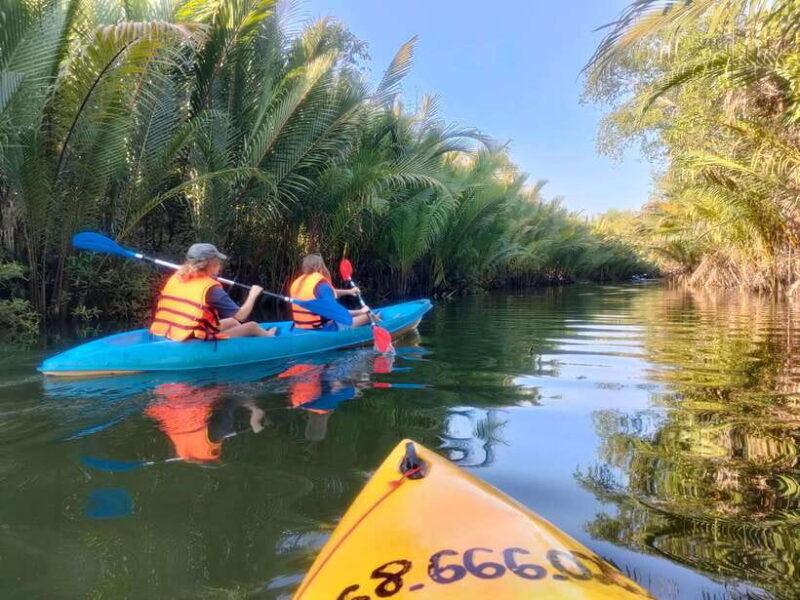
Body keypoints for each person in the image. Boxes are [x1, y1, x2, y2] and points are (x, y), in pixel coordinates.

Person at [150, 243, 276, 340]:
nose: (219, 266)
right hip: (192, 337)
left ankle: (241, 343)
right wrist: (253, 294)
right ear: (209, 264)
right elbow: (241, 316)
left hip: (170, 331)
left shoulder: (178, 277)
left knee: (232, 322)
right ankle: (270, 338)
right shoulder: (211, 289)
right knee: (252, 326)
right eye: (217, 262)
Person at [288, 254, 372, 331]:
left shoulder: (299, 283)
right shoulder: (321, 286)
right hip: (325, 328)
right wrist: (360, 312)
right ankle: (375, 321)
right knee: (368, 316)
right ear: (320, 267)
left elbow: (329, 292)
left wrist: (350, 291)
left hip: (300, 327)